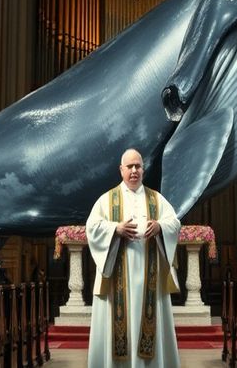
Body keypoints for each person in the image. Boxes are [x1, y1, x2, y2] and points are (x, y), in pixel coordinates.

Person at [85, 148, 181, 367]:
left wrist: (160, 226)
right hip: (118, 278)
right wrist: (115, 229)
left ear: (143, 170)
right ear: (121, 170)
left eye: (138, 166)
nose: (134, 170)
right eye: (130, 166)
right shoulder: (107, 200)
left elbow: (174, 223)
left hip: (150, 278)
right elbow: (92, 227)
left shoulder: (156, 199)